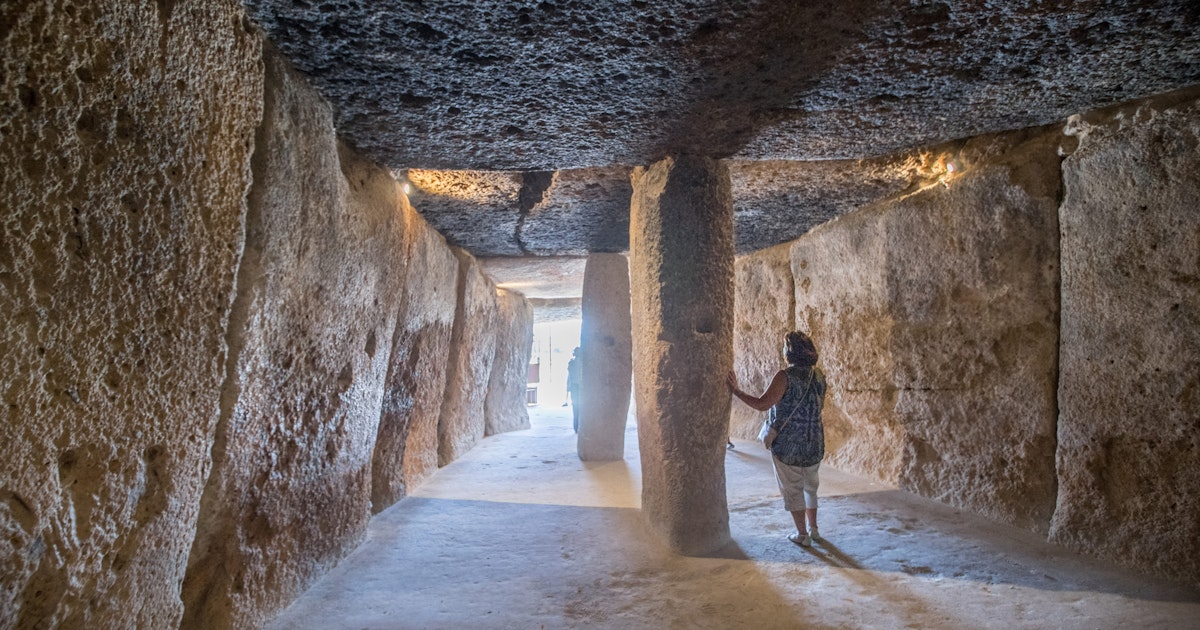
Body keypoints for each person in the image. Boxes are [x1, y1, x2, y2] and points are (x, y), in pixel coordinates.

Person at [727, 331, 827, 547]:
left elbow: (763, 404)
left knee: (793, 489)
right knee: (810, 486)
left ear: (789, 352)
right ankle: (814, 529)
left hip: (788, 445)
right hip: (814, 442)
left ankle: (802, 535)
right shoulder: (819, 375)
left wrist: (737, 392)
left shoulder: (785, 377)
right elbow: (820, 406)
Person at [566, 347, 582, 433]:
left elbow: (569, 377)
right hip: (582, 387)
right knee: (583, 407)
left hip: (574, 387)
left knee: (575, 407)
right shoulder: (584, 363)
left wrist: (568, 387)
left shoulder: (571, 363)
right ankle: (581, 426)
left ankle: (576, 427)